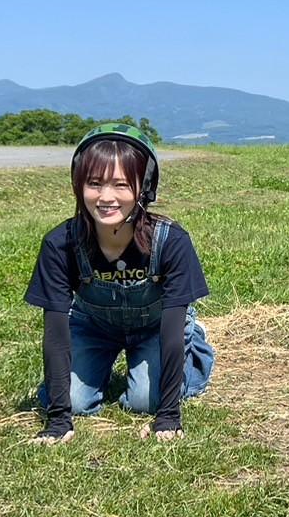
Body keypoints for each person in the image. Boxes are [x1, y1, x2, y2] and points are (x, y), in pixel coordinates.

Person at [25, 124, 215, 444]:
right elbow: (56, 332)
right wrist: (59, 419)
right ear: (78, 185)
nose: (106, 197)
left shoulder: (171, 242)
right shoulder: (61, 244)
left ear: (144, 187)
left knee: (145, 401)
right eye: (95, 183)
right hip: (93, 324)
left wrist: (168, 416)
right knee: (73, 401)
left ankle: (193, 346)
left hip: (158, 325)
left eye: (121, 184)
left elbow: (168, 328)